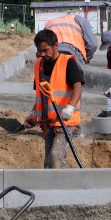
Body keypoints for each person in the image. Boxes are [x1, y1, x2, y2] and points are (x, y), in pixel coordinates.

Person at [24, 29, 84, 168]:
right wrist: (33, 114)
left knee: (56, 157)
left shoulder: (67, 62)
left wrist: (70, 107)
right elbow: (41, 94)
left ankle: (59, 188)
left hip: (65, 122)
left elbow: (78, 87)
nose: (42, 54)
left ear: (55, 45)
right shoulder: (39, 64)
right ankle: (49, 188)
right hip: (48, 122)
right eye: (40, 51)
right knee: (48, 162)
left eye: (46, 50)